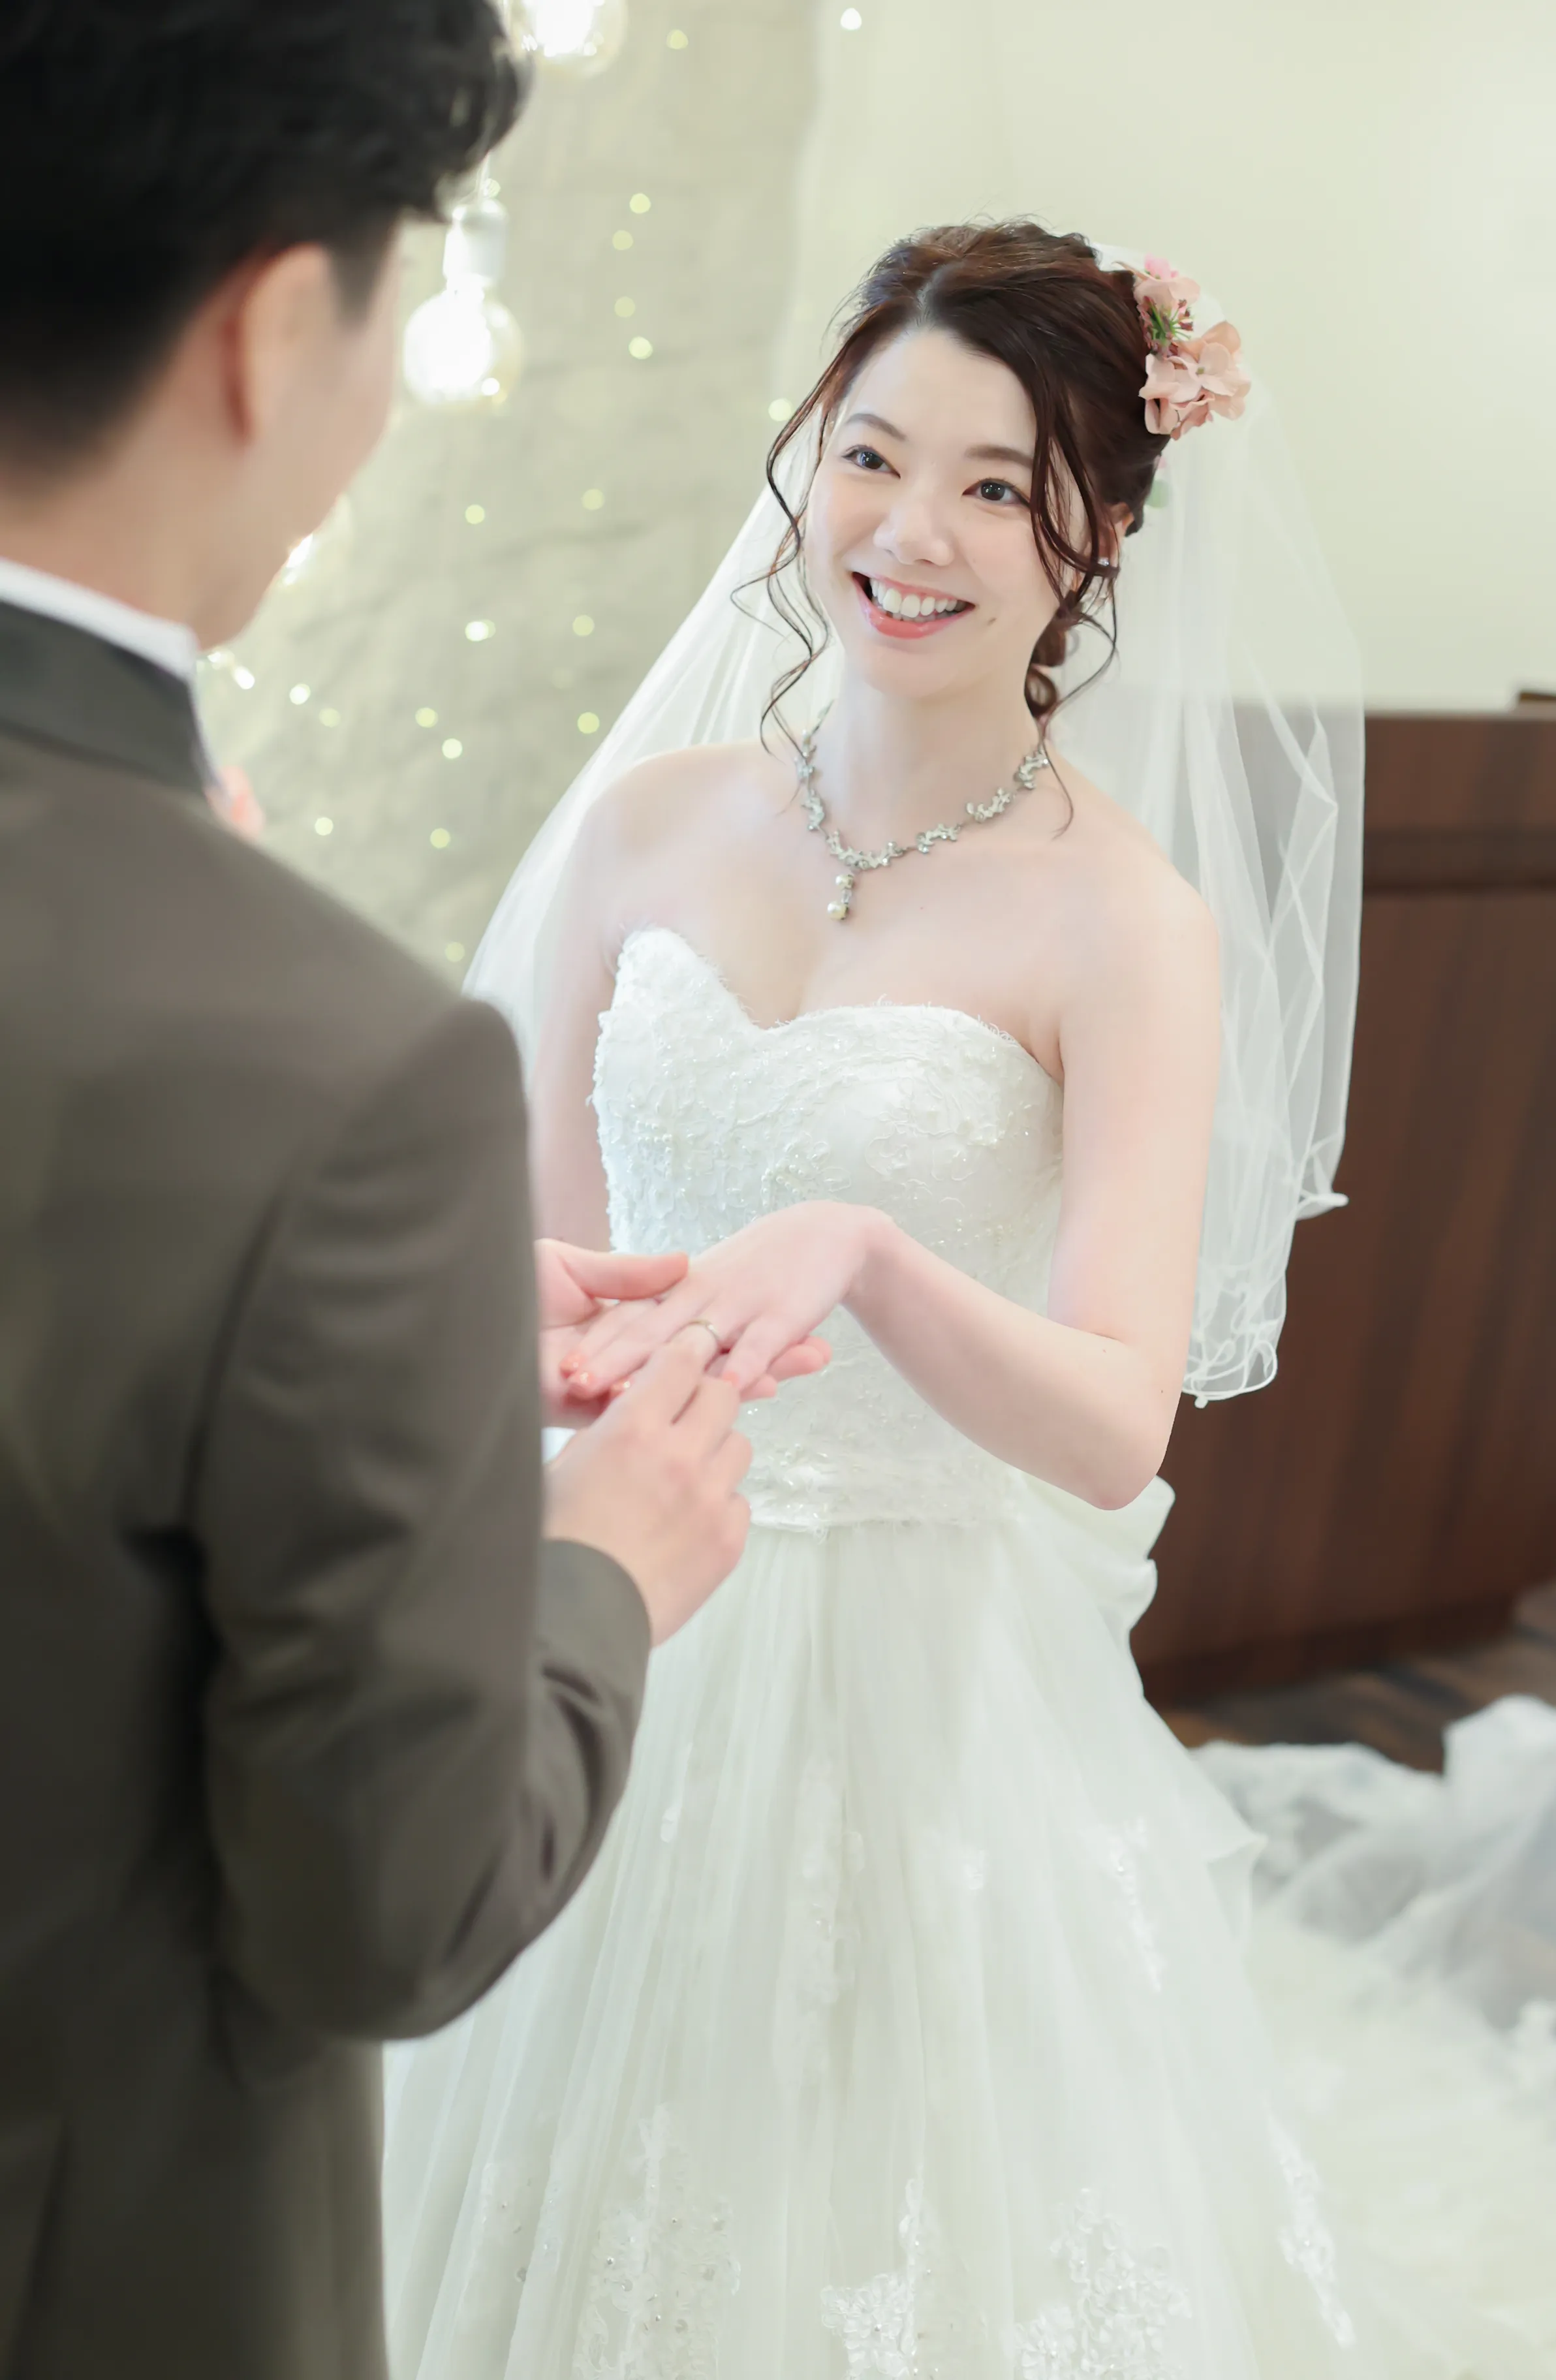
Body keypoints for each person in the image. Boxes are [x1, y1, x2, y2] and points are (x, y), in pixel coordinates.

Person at [382, 225, 1556, 2376]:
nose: (907, 532)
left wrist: (865, 1253)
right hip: (610, 1591)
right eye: (868, 455)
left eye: (994, 486)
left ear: (1096, 533)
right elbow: (550, 1277)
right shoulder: (641, 828)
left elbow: (1116, 1417)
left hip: (910, 1670)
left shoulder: (1122, 922)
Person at [0, 5, 823, 2373]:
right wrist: (597, 1564)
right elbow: (382, 1906)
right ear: (275, 326)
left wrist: (381, 1325)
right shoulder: (337, 1069)